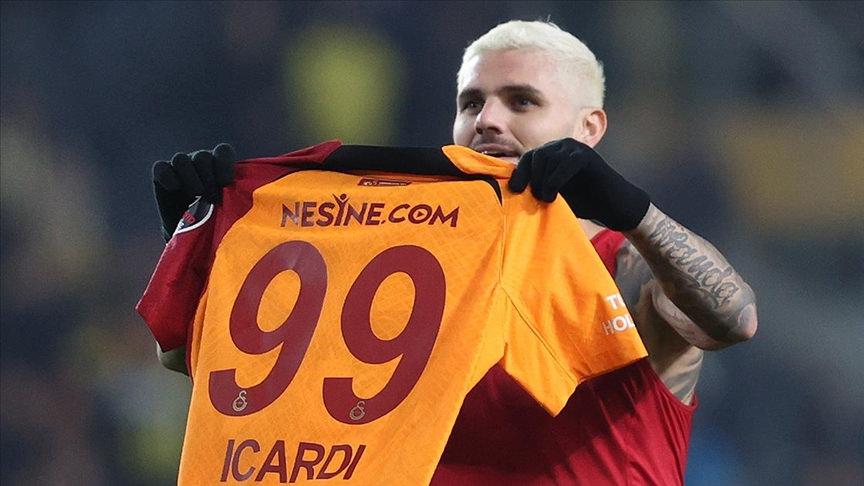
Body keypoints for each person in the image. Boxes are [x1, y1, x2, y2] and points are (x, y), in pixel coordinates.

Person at [150, 20, 757, 485]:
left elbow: (734, 318)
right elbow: (199, 367)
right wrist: (198, 246)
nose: (488, 120)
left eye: (522, 101)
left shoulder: (618, 265)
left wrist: (633, 211)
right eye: (471, 103)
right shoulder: (397, 266)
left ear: (589, 128)